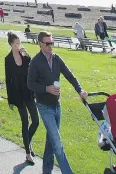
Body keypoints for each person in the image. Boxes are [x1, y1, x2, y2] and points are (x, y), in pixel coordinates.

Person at [27, 31, 87, 174]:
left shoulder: (57, 59)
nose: (50, 46)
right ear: (40, 44)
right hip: (44, 107)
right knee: (58, 144)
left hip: (57, 106)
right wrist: (47, 88)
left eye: (51, 43)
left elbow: (70, 76)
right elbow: (30, 84)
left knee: (51, 142)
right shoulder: (35, 62)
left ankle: (46, 171)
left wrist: (80, 90)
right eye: (47, 43)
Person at [5, 32, 39, 165]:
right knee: (25, 121)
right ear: (11, 45)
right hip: (18, 95)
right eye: (16, 44)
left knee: (36, 121)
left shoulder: (24, 56)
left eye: (19, 43)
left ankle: (27, 142)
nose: (19, 46)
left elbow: (31, 70)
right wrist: (10, 100)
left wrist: (27, 56)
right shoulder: (8, 59)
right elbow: (8, 80)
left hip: (29, 92)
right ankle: (27, 153)